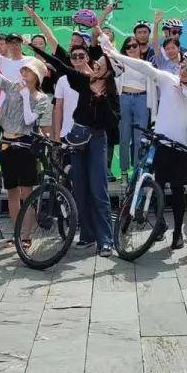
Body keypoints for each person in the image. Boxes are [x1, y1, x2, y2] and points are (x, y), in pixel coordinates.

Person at [105, 35, 187, 249]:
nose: (183, 71)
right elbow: (146, 67)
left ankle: (177, 234)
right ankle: (160, 225)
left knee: (177, 192)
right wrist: (117, 55)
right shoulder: (169, 80)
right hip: (161, 145)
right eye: (183, 66)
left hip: (181, 148)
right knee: (155, 186)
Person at [39, 30, 118, 256]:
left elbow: (113, 120)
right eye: (74, 57)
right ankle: (87, 235)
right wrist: (34, 47)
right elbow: (58, 65)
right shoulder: (78, 81)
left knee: (98, 189)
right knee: (80, 188)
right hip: (75, 138)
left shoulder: (110, 90)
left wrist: (101, 99)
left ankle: (105, 239)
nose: (78, 60)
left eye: (83, 56)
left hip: (97, 139)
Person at [0, 45, 53, 248]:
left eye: (28, 70)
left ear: (37, 76)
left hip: (25, 144)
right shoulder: (12, 86)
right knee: (12, 192)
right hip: (6, 143)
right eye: (23, 70)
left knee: (26, 192)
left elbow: (30, 120)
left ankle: (26, 236)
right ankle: (16, 234)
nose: (24, 72)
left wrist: (25, 98)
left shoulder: (41, 98)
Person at [114, 35, 154, 179]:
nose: (131, 49)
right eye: (128, 47)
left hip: (142, 100)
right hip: (124, 98)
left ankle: (138, 172)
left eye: (134, 46)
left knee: (140, 139)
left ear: (140, 47)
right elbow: (108, 48)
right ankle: (124, 172)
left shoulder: (146, 65)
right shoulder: (120, 62)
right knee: (124, 137)